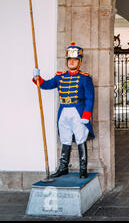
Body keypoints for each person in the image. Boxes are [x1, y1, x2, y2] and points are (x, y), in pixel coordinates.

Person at [32, 41, 94, 179]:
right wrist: (37, 77)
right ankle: (63, 167)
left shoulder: (85, 78)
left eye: (75, 60)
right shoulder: (60, 77)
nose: (72, 62)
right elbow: (47, 85)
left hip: (78, 111)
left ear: (80, 62)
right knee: (65, 138)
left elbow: (90, 98)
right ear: (67, 61)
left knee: (80, 138)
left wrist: (86, 114)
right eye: (70, 59)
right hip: (63, 110)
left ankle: (83, 169)